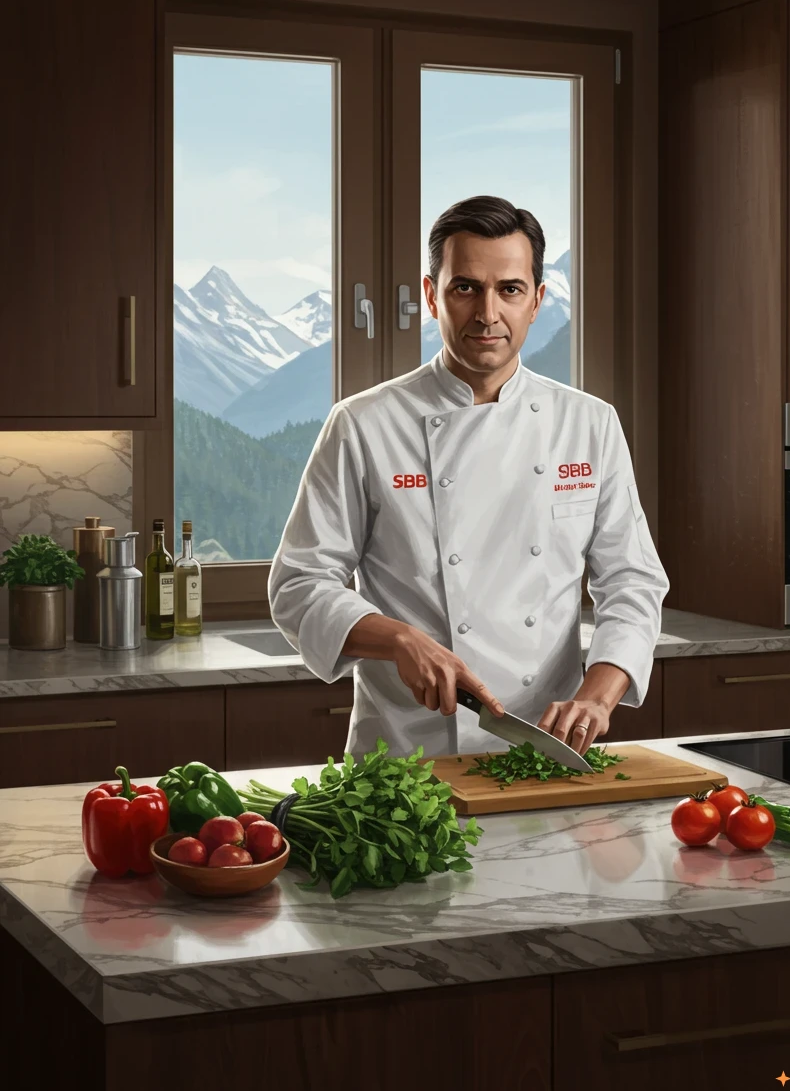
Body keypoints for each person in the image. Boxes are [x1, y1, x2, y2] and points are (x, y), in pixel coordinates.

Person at [270, 195, 669, 758]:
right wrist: (400, 639)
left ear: (537, 301)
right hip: (409, 755)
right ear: (433, 295)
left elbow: (632, 581)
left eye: (509, 289)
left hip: (545, 748)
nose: (487, 313)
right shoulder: (364, 424)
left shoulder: (589, 424)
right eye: (465, 288)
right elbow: (299, 585)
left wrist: (598, 696)